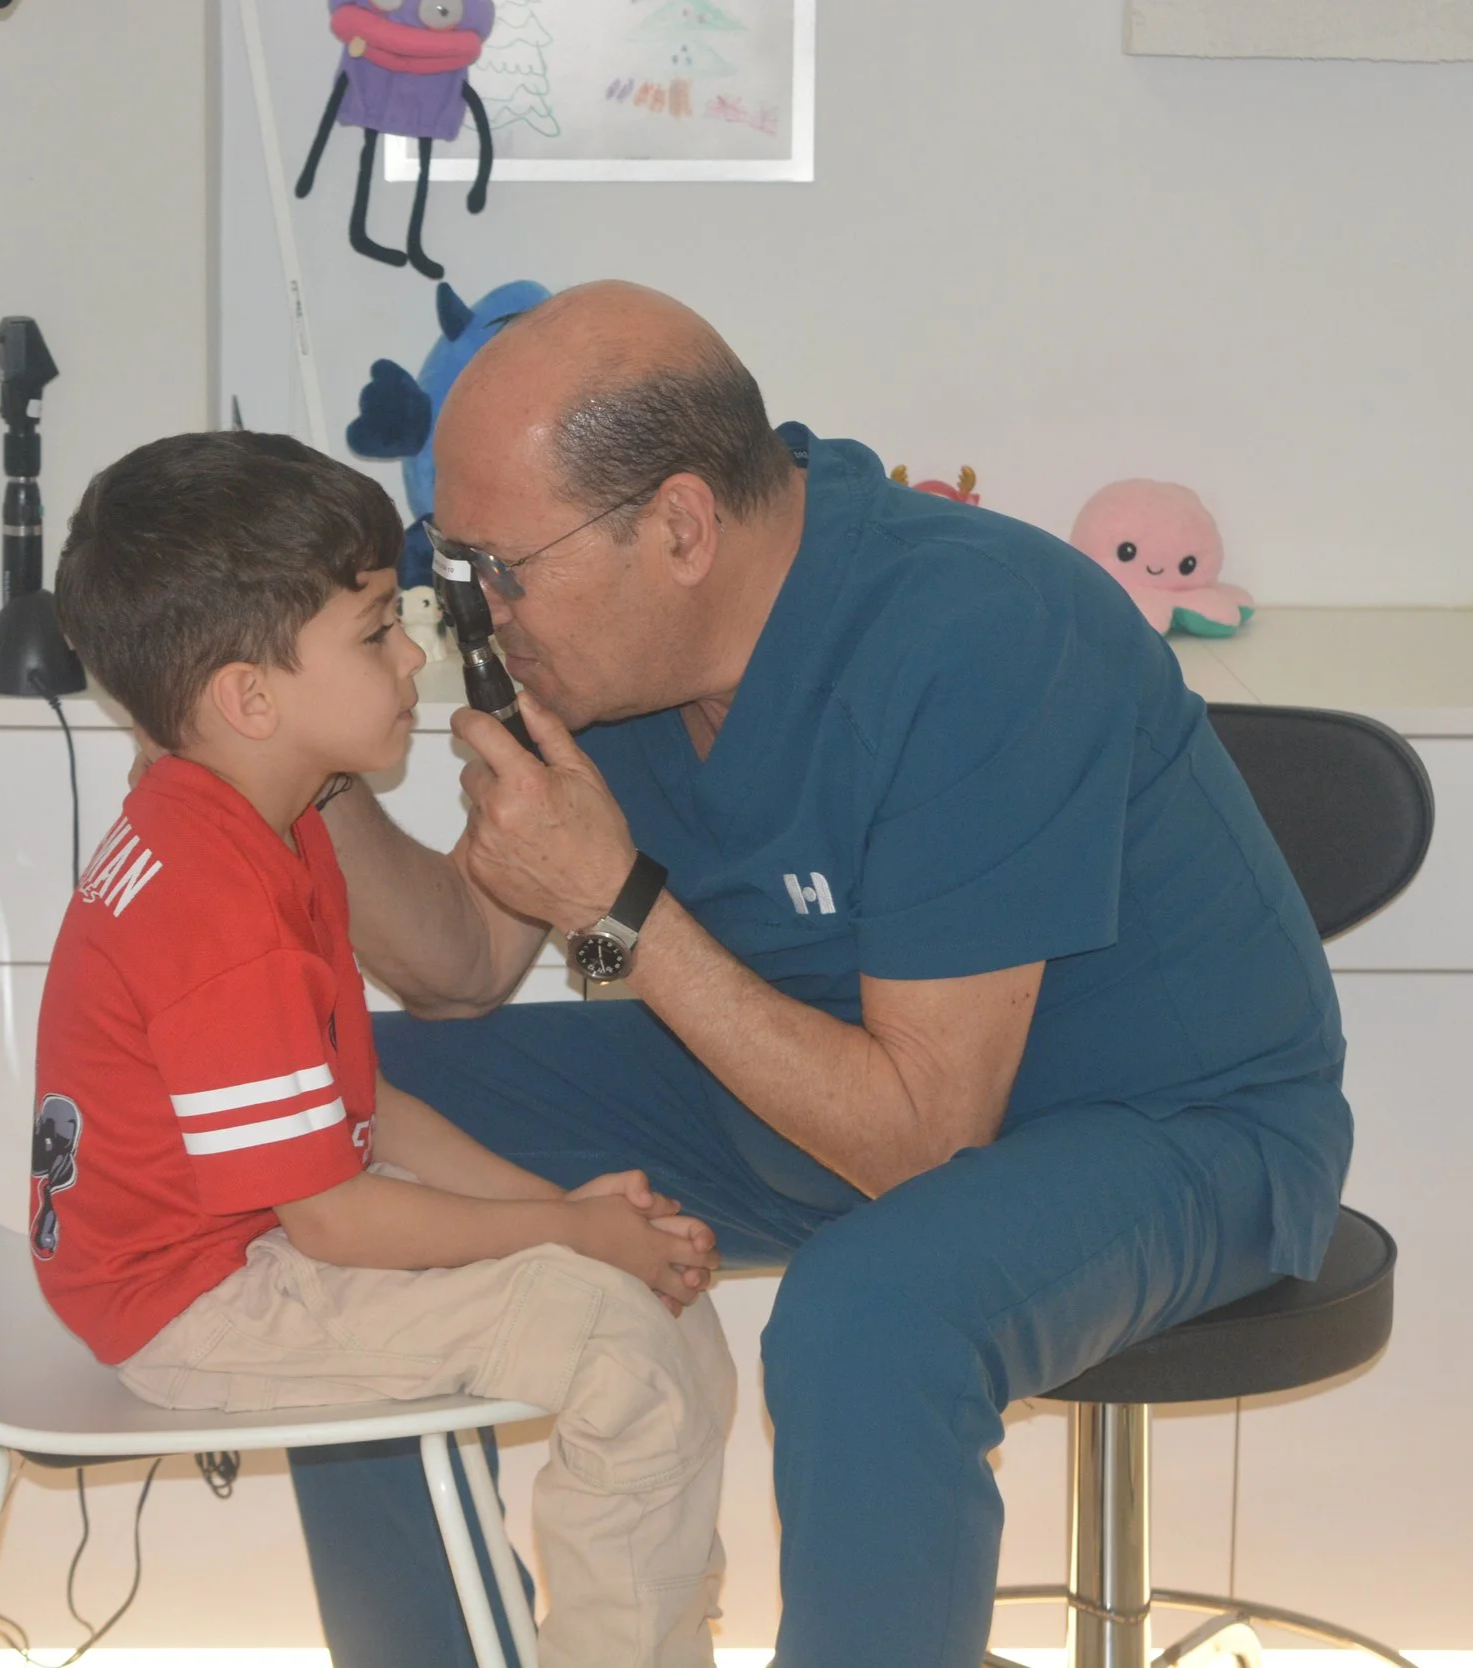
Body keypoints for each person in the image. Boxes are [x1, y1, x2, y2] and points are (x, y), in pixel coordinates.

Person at [285, 282, 1352, 1668]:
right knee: (315, 1123)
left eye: (502, 566)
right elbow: (463, 971)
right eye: (453, 563)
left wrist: (616, 907)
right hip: (799, 1085)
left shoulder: (977, 630)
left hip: (1164, 1128)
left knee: (869, 1314)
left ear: (680, 527)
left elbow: (921, 1144)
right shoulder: (605, 654)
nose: (476, 614)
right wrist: (293, 759)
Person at [33, 429, 735, 1668]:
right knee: (620, 1347)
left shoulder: (272, 825)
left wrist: (565, 1214)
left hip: (251, 1243)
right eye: (374, 631)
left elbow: (364, 1109)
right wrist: (569, 1235)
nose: (415, 653)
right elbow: (334, 1217)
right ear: (250, 699)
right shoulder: (218, 902)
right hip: (201, 1302)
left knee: (658, 1314)